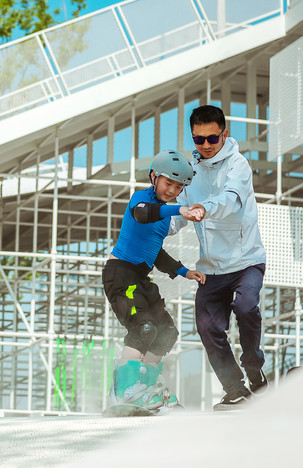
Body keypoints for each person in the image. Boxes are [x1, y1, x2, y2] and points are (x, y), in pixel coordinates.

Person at [170, 104, 269, 411]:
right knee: (207, 326)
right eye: (199, 140)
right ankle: (236, 391)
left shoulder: (238, 165)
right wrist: (157, 225)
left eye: (212, 138)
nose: (207, 146)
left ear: (224, 134)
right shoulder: (191, 172)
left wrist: (205, 208)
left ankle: (254, 367)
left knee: (246, 306)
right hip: (212, 269)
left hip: (246, 260)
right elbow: (181, 212)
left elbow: (231, 200)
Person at [102, 150, 206, 410]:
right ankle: (124, 390)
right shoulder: (142, 201)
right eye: (167, 183)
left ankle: (145, 389)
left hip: (141, 278)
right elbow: (143, 213)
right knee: (143, 327)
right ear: (153, 177)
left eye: (178, 187)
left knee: (167, 332)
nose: (171, 190)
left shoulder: (163, 219)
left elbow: (155, 253)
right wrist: (180, 209)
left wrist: (185, 271)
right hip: (120, 275)